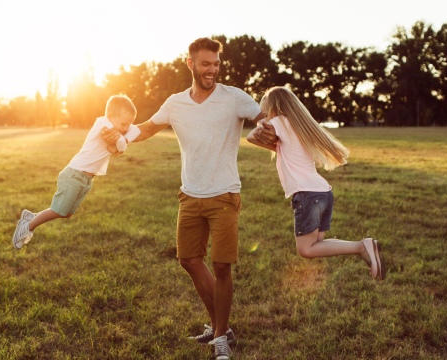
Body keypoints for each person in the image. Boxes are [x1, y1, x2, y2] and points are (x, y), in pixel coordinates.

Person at [102, 38, 273, 360]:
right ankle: (219, 326)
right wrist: (119, 132)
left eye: (217, 64)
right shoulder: (175, 103)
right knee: (189, 260)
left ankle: (221, 336)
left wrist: (269, 126)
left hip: (224, 194)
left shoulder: (233, 97)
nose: (213, 70)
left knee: (222, 266)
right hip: (190, 195)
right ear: (191, 64)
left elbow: (262, 116)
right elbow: (147, 129)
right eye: (206, 63)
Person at [246, 86, 386, 280]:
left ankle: (362, 246)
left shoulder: (280, 121)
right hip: (323, 193)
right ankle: (365, 249)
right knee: (318, 244)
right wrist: (275, 145)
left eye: (265, 112)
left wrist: (264, 125)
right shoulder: (299, 127)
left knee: (306, 249)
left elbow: (251, 136)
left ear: (274, 109)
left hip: (307, 195)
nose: (265, 118)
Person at [11, 95, 141, 250]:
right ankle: (27, 227)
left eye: (128, 124)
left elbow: (135, 130)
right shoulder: (102, 123)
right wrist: (122, 144)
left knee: (66, 214)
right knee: (58, 210)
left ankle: (31, 217)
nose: (126, 128)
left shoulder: (118, 127)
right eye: (123, 124)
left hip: (86, 179)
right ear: (110, 116)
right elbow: (119, 144)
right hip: (74, 175)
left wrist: (124, 138)